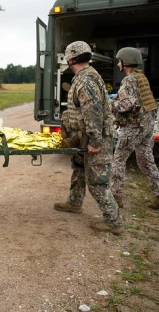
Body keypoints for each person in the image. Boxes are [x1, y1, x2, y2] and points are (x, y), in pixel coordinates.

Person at [53, 41, 123, 235]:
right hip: (82, 137)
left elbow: (92, 112)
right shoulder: (85, 76)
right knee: (79, 168)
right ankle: (74, 202)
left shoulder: (86, 81)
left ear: (71, 58)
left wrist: (94, 141)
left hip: (93, 138)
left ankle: (114, 222)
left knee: (97, 182)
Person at [110, 47, 159, 209]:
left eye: (119, 60)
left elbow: (126, 105)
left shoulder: (129, 80)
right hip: (147, 125)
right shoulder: (141, 77)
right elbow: (139, 100)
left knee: (118, 160)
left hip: (134, 126)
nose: (118, 63)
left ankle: (115, 197)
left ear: (125, 62)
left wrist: (111, 103)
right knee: (145, 160)